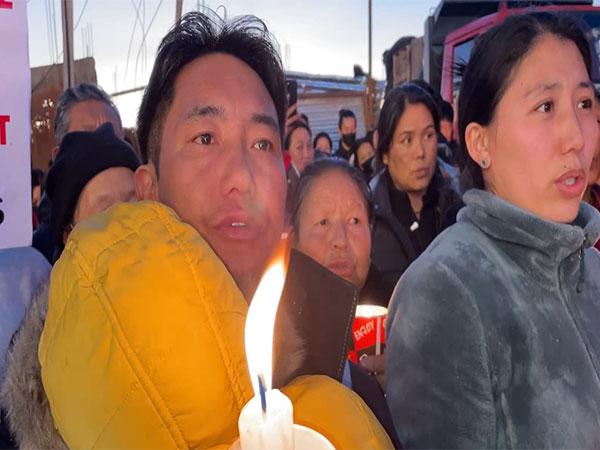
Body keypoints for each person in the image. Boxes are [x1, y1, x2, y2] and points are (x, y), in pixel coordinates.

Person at [35, 12, 392, 449]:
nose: (241, 174)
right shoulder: (69, 405)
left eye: (262, 143)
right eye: (205, 138)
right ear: (149, 188)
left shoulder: (350, 385)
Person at [386, 12, 600, 449]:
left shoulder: (592, 268)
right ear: (480, 143)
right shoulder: (444, 292)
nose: (575, 136)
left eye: (585, 104)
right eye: (545, 107)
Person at [0, 123, 140, 448]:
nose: (127, 220)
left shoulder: (187, 292)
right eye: (105, 209)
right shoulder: (44, 353)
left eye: (134, 202)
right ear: (69, 232)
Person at [289, 156, 400, 447]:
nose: (340, 240)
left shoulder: (399, 314)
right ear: (292, 239)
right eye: (323, 222)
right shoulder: (284, 352)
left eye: (354, 221)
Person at [370, 83, 459, 288]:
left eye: (428, 136)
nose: (421, 152)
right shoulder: (369, 219)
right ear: (385, 152)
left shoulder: (457, 208)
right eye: (407, 140)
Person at [32, 83, 123, 263]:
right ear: (59, 157)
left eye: (114, 139)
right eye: (88, 140)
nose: (106, 149)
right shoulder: (37, 262)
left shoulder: (152, 230)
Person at [285, 121, 314, 214]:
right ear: (288, 151)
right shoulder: (285, 187)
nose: (306, 154)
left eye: (309, 146)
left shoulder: (316, 178)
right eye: (299, 147)